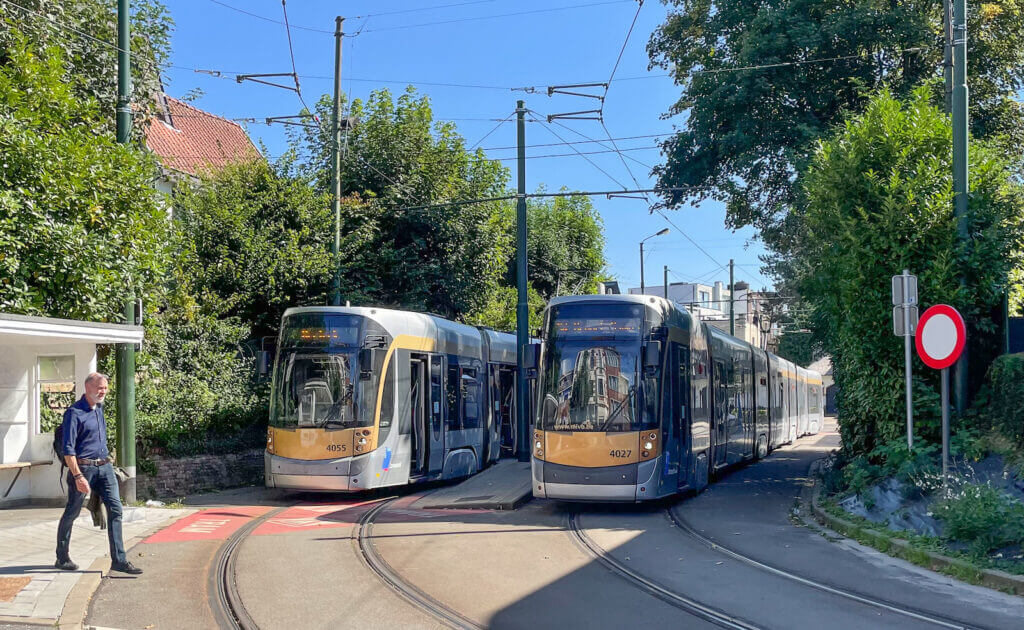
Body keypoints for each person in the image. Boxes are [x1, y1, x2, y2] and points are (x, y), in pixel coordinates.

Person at [54, 372, 143, 575]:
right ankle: (62, 556)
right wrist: (78, 476)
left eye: (105, 388)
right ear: (88, 388)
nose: (103, 391)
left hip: (104, 467)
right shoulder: (74, 413)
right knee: (72, 511)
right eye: (99, 388)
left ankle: (119, 560)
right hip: (83, 469)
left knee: (116, 509)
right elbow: (68, 449)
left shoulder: (99, 408)